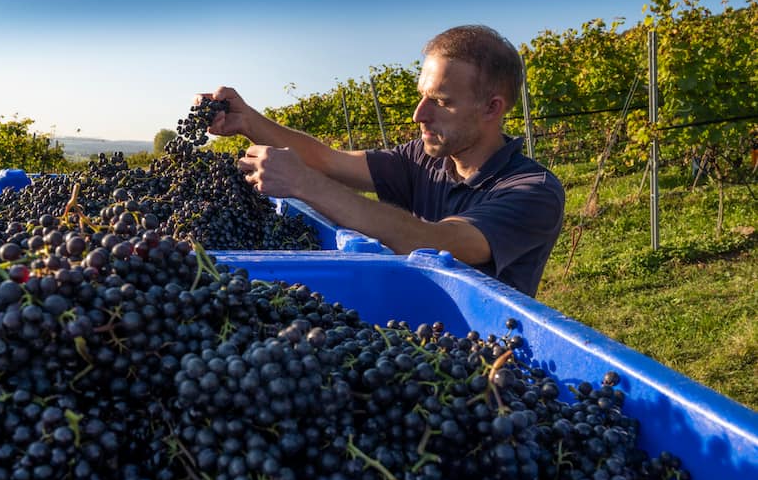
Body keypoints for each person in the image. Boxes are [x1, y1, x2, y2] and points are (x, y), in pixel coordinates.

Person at [200, 25, 565, 298]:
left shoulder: (534, 193)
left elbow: (436, 241)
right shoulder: (422, 159)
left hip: (479, 357)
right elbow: (327, 160)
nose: (418, 115)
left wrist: (305, 184)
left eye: (440, 101)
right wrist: (248, 121)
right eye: (422, 96)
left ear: (492, 108)